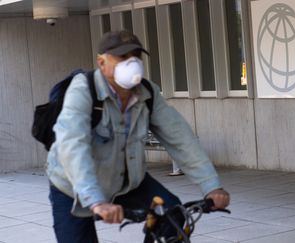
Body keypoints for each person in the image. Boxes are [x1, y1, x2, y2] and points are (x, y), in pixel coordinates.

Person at [46, 30, 230, 243]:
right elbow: (73, 147)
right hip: (73, 187)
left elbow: (181, 138)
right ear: (102, 62)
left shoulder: (147, 93)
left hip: (127, 181)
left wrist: (212, 186)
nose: (132, 62)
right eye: (123, 57)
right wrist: (96, 201)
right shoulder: (83, 90)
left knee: (174, 216)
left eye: (136, 56)